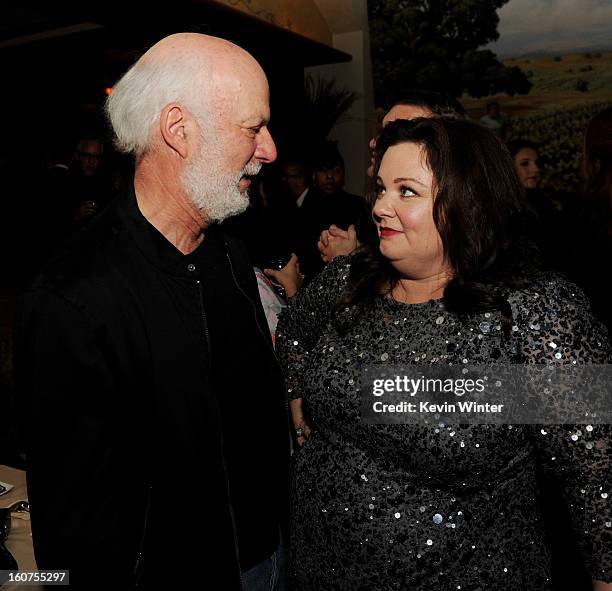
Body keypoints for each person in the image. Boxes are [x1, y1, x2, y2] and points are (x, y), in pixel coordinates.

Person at [276, 117, 611, 590]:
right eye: (380, 188)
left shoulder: (534, 315)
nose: (380, 207)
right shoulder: (348, 280)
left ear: (466, 202)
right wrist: (298, 399)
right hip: (319, 571)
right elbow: (293, 329)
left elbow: (595, 477)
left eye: (406, 191)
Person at [16, 33, 289, 590]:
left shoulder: (231, 259)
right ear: (178, 129)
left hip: (270, 558)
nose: (270, 150)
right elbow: (69, 520)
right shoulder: (74, 294)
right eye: (252, 127)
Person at [319, 91, 467, 267]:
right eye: (382, 131)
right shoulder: (369, 209)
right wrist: (357, 254)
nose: (374, 143)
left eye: (397, 132)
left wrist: (346, 265)